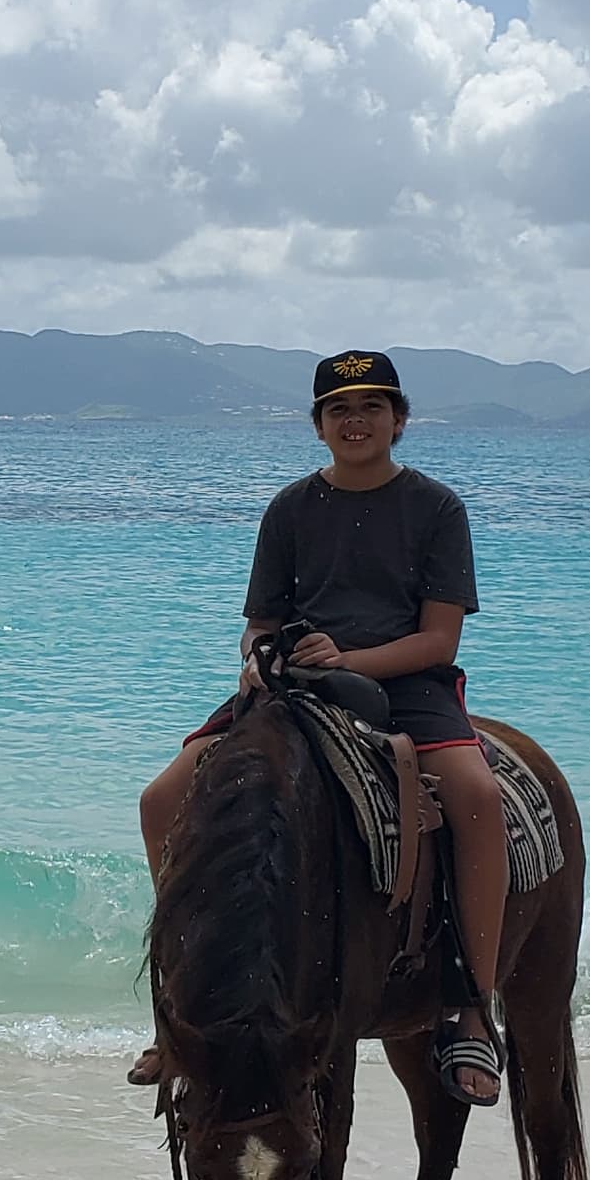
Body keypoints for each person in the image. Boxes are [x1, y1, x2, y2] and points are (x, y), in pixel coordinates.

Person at [133, 351, 512, 1103]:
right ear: (318, 426)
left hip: (407, 685)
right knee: (160, 799)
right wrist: (257, 660)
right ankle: (182, 1006)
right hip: (297, 684)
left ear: (398, 421)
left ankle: (473, 1003)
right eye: (339, 409)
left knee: (477, 797)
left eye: (372, 407)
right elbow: (259, 622)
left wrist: (352, 659)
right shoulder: (290, 509)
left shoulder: (436, 509)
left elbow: (439, 641)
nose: (355, 421)